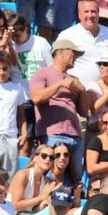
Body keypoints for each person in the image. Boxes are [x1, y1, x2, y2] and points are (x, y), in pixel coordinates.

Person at [29, 37, 86, 182]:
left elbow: (84, 112)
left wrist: (83, 90)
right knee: (51, 178)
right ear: (61, 52)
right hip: (53, 134)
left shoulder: (74, 79)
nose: (75, 58)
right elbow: (36, 97)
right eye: (73, 53)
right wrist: (60, 84)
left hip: (75, 135)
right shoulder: (42, 73)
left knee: (75, 180)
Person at [60, 0, 108, 90]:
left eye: (93, 11)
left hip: (106, 92)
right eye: (86, 12)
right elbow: (58, 66)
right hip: (77, 92)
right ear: (79, 15)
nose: (90, 15)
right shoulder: (67, 35)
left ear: (98, 13)